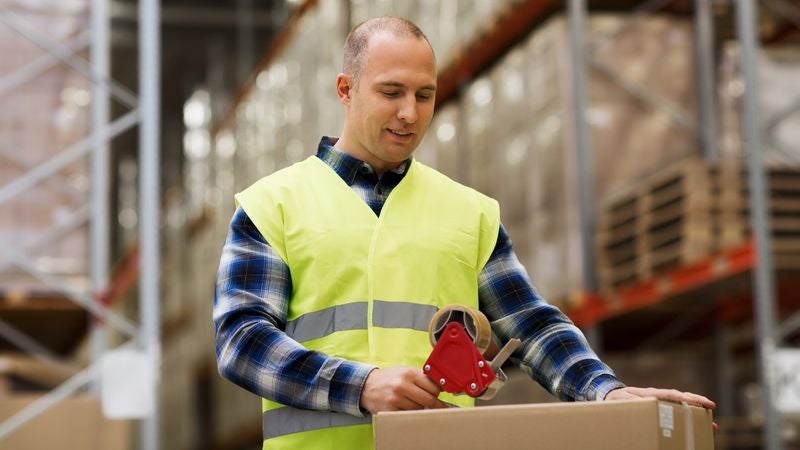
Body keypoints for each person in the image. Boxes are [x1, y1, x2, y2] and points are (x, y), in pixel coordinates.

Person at [214, 16, 715, 450]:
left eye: (424, 95)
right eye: (391, 92)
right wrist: (360, 385)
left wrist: (605, 390)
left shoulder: (469, 212)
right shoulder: (272, 205)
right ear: (346, 90)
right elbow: (241, 340)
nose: (409, 113)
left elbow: (530, 322)